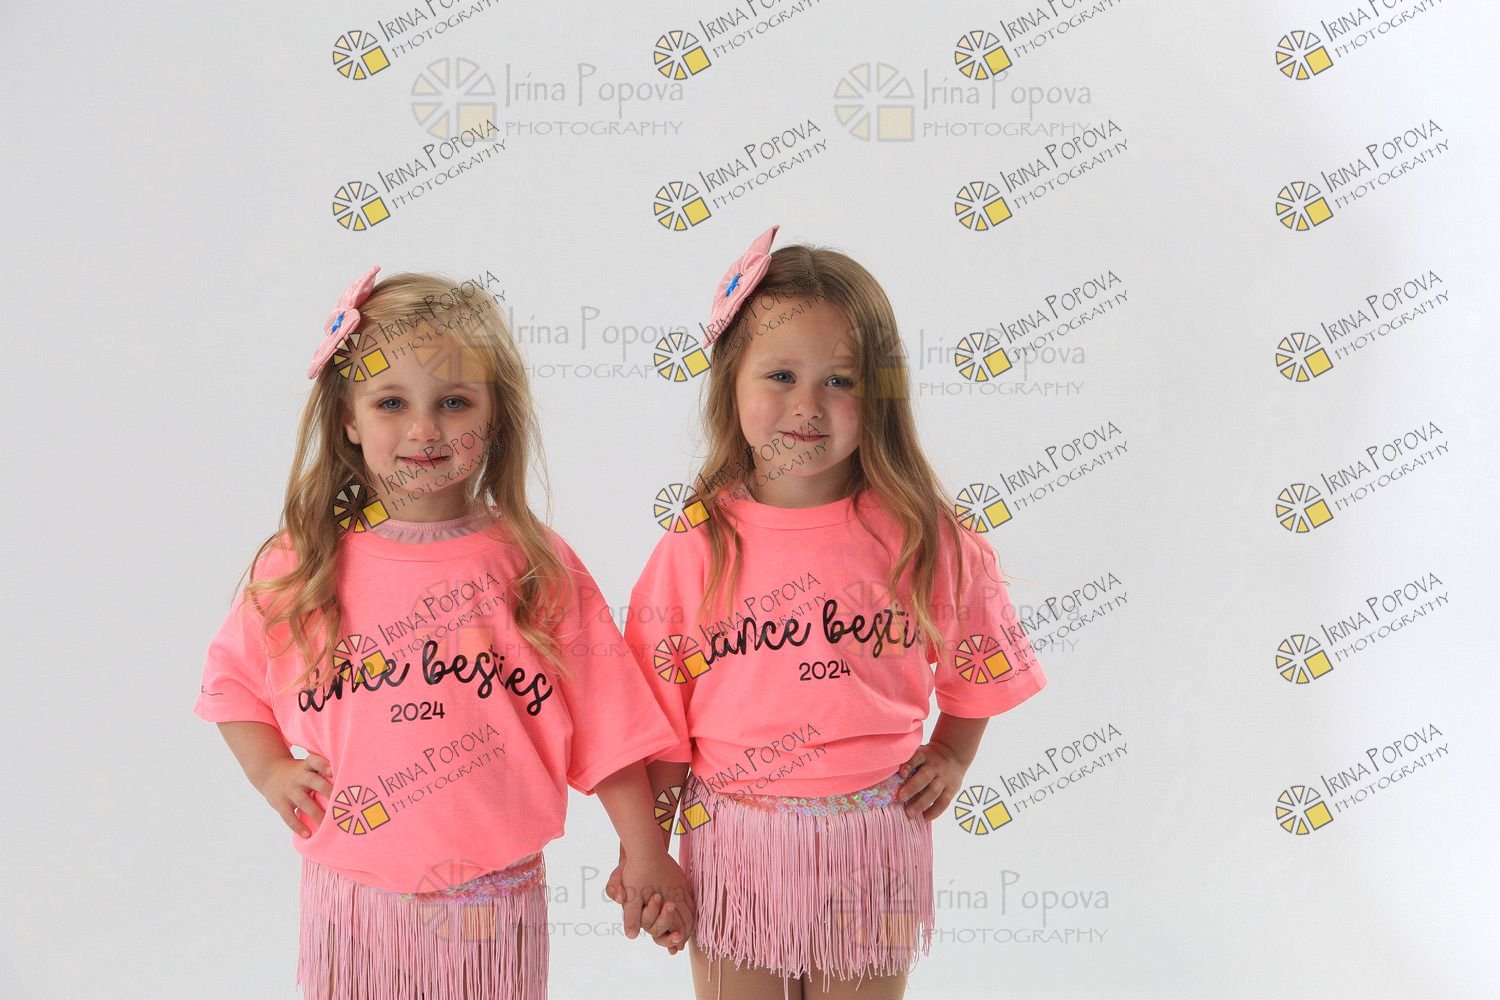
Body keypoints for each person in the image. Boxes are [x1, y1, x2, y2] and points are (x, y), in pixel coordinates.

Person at [194, 267, 692, 999]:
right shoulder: (304, 560)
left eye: (453, 402)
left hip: (492, 903)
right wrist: (270, 770)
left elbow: (609, 725)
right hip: (352, 899)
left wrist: (645, 851)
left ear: (496, 417)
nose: (425, 430)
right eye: (391, 402)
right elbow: (232, 684)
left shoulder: (532, 564)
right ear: (349, 418)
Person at [617, 227, 1049, 999]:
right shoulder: (700, 542)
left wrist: (953, 752)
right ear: (732, 383)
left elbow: (982, 656)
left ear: (878, 394)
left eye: (839, 381)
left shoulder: (921, 534)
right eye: (780, 375)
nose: (807, 407)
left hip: (872, 839)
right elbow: (662, 718)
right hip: (734, 838)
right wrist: (647, 851)